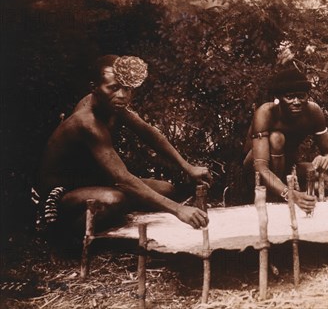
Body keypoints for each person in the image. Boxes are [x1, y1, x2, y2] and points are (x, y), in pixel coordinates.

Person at [37, 55, 212, 239]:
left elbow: (149, 133)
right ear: (94, 87)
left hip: (94, 183)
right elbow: (122, 179)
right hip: (60, 195)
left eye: (127, 88)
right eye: (113, 88)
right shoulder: (87, 122)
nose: (122, 95)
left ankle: (111, 216)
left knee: (166, 189)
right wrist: (178, 210)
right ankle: (65, 239)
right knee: (115, 200)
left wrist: (188, 167)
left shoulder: (112, 106)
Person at [243, 68, 328, 213]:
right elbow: (260, 167)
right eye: (290, 97)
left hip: (289, 167)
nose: (297, 102)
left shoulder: (313, 112)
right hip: (255, 172)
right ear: (279, 98)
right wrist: (290, 194)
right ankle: (281, 195)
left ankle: (297, 194)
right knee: (276, 138)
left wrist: (326, 160)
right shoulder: (265, 113)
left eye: (301, 96)